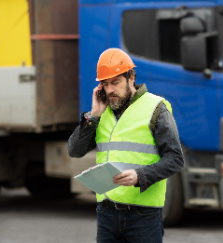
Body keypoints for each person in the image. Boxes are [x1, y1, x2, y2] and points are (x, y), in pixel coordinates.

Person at [68, 48, 184, 243]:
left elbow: (175, 159)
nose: (110, 90)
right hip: (107, 212)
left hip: (143, 217)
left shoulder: (156, 108)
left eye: (116, 82)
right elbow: (74, 151)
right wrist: (93, 116)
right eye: (105, 84)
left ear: (131, 78)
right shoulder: (101, 112)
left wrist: (140, 176)